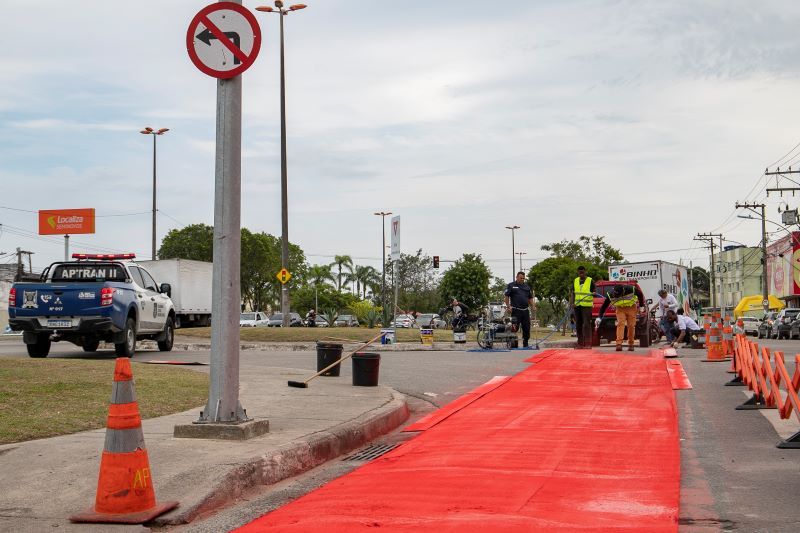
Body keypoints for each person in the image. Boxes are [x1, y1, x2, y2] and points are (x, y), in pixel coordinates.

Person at [596, 283, 647, 351]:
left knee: (631, 325)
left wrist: (641, 306)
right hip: (620, 309)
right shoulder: (611, 295)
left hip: (631, 307)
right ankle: (619, 344)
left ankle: (631, 344)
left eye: (618, 295)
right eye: (615, 295)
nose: (616, 296)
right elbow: (604, 306)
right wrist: (599, 317)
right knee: (620, 324)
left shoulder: (630, 289)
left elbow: (640, 294)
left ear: (623, 291)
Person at [504, 271, 535, 347]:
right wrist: (508, 306)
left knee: (526, 328)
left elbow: (530, 298)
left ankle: (526, 343)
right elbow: (506, 296)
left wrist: (533, 306)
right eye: (521, 278)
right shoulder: (511, 285)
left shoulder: (527, 287)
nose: (522, 279)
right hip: (515, 310)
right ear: (517, 277)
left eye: (523, 278)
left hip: (525, 311)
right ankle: (513, 343)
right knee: (514, 328)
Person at [570, 266, 596, 349]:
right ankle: (580, 343)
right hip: (577, 306)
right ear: (578, 272)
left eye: (582, 272)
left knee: (586, 325)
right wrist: (572, 303)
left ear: (585, 272)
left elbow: (594, 291)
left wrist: (594, 292)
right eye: (579, 272)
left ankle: (588, 343)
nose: (581, 274)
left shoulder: (590, 280)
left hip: (586, 307)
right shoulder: (575, 281)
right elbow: (573, 293)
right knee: (578, 325)